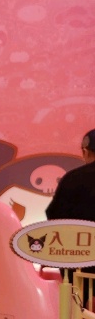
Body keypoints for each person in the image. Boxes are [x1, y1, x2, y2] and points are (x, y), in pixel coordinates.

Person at [46, 128, 95, 307]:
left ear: (85, 151)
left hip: (79, 262)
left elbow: (54, 215)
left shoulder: (72, 179)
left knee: (78, 309)